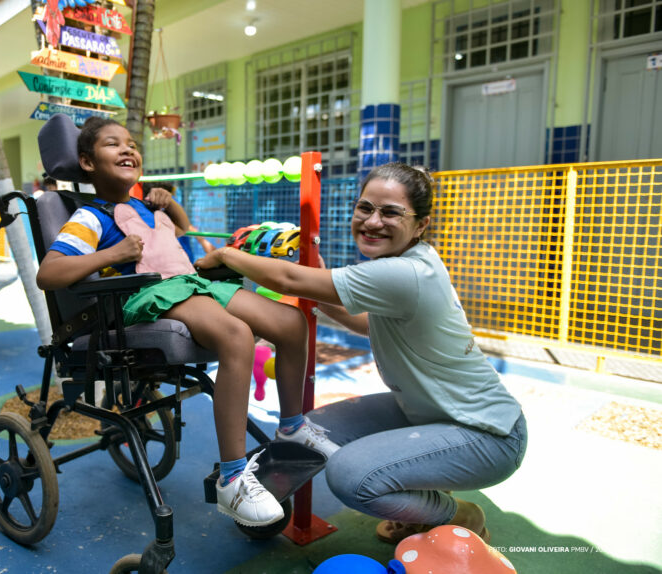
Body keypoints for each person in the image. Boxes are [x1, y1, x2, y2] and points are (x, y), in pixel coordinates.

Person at [194, 162, 527, 543]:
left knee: (350, 476)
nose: (372, 222)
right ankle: (418, 498)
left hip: (489, 436)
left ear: (421, 225)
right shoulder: (405, 263)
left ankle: (456, 514)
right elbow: (368, 323)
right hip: (431, 411)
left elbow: (287, 278)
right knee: (310, 431)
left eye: (390, 212)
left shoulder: (407, 274)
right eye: (365, 208)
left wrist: (225, 256)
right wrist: (317, 285)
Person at [36, 117, 338, 528]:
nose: (128, 149)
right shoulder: (90, 217)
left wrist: (170, 204)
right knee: (236, 334)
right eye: (113, 145)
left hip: (191, 283)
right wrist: (111, 255)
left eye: (131, 143)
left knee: (290, 323)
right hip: (149, 295)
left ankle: (290, 426)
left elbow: (179, 235)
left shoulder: (146, 206)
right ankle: (232, 481)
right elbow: (48, 274)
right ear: (87, 162)